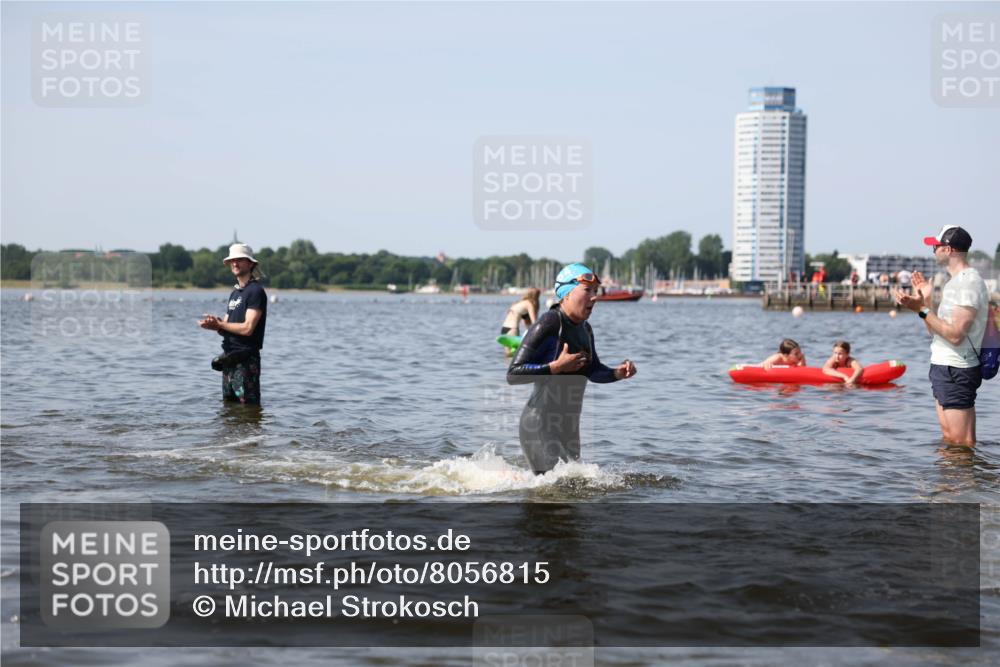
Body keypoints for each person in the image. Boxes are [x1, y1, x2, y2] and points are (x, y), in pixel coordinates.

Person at [507, 264, 637, 474]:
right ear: (566, 294)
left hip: (569, 430)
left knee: (571, 494)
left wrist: (616, 373)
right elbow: (513, 374)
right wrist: (555, 367)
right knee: (555, 494)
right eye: (587, 290)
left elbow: (592, 370)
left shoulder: (586, 329)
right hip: (539, 425)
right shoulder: (550, 323)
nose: (594, 297)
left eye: (596, 291)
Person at [894, 225, 988, 446]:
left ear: (948, 249)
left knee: (961, 443)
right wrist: (926, 300)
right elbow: (936, 331)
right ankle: (948, 482)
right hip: (944, 367)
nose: (933, 250)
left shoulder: (967, 283)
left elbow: (955, 335)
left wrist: (921, 310)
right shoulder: (954, 282)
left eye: (935, 246)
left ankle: (966, 480)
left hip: (957, 369)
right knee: (950, 441)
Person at [198, 243, 268, 405]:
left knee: (247, 409)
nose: (235, 263)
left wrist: (221, 325)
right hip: (229, 359)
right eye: (232, 260)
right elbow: (226, 328)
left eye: (240, 260)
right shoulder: (235, 293)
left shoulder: (256, 291)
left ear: (250, 264)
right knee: (229, 411)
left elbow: (248, 328)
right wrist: (215, 325)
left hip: (246, 360)